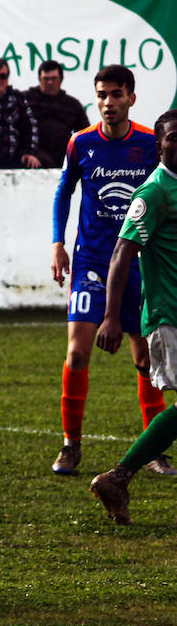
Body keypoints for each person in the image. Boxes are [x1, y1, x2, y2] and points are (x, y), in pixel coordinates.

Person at [51, 65, 163, 477]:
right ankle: (70, 445)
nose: (108, 102)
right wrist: (57, 243)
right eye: (102, 95)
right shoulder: (80, 143)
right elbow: (64, 190)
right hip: (92, 261)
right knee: (78, 351)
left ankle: (154, 449)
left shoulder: (152, 144)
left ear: (131, 98)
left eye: (116, 94)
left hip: (138, 261)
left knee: (145, 356)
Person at [90, 110, 177, 523]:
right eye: (173, 138)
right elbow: (122, 253)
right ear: (159, 145)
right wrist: (110, 316)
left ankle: (118, 479)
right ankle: (118, 476)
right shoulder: (154, 191)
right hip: (168, 315)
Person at [27, 60, 91, 169]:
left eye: (53, 79)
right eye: (46, 79)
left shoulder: (72, 105)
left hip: (64, 159)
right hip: (33, 158)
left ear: (61, 79)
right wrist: (27, 153)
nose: (50, 82)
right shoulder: (26, 100)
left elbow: (86, 135)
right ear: (39, 79)